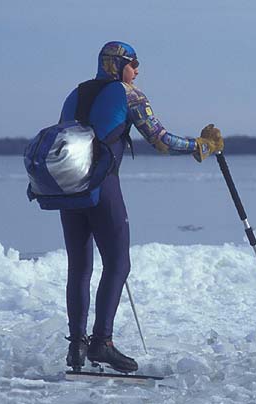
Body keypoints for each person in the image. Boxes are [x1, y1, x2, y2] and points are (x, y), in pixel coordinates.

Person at [59, 41, 224, 373]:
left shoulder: (74, 95)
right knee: (118, 263)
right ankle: (102, 343)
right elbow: (160, 140)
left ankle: (76, 346)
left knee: (79, 266)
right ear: (118, 65)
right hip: (102, 186)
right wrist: (200, 146)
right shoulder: (128, 93)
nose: (137, 70)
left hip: (68, 189)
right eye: (133, 63)